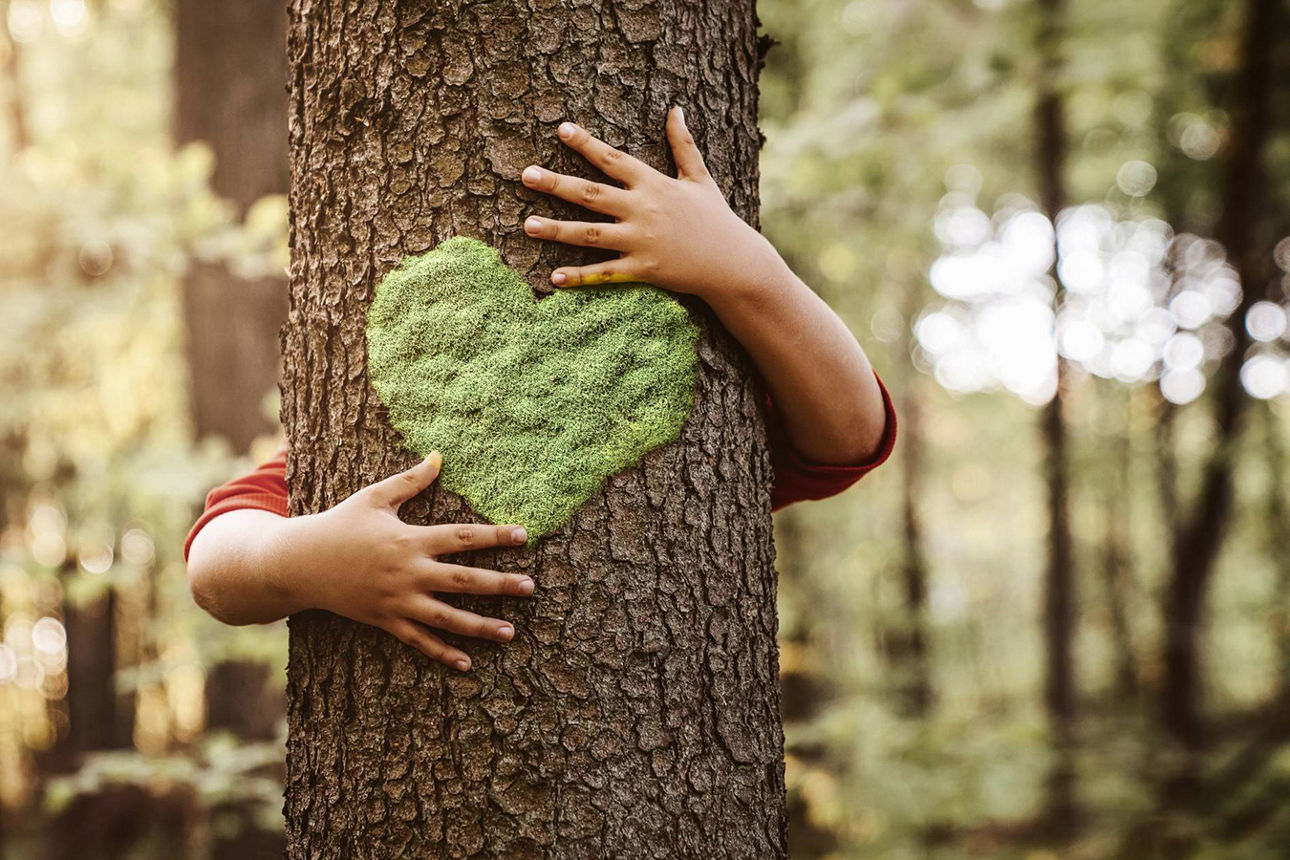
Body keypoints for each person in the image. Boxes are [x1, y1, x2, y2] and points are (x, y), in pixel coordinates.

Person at [184, 106, 898, 674]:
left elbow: (851, 435)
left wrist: (743, 268)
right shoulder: (369, 435)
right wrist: (305, 562)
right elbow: (216, 563)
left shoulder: (719, 397)